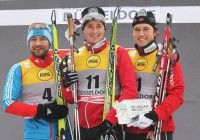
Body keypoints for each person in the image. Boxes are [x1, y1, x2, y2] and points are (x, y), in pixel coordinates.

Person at [62, 6, 138, 140]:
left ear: (105, 28)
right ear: (83, 29)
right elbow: (69, 98)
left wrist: (111, 119)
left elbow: (130, 91)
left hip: (108, 124)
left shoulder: (117, 52)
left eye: (99, 26)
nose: (95, 31)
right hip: (81, 128)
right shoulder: (74, 56)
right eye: (90, 26)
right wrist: (66, 84)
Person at [2, 22, 69, 140]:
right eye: (33, 39)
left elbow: (73, 97)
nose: (38, 43)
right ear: (28, 42)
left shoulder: (61, 64)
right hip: (35, 134)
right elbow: (8, 104)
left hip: (62, 130)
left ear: (49, 41)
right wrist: (43, 110)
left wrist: (68, 83)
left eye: (43, 38)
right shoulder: (19, 69)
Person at [125, 9, 185, 140]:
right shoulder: (127, 57)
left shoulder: (167, 56)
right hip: (130, 129)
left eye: (146, 29)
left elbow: (177, 95)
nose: (141, 33)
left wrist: (156, 115)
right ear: (132, 32)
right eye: (137, 29)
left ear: (155, 32)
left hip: (158, 129)